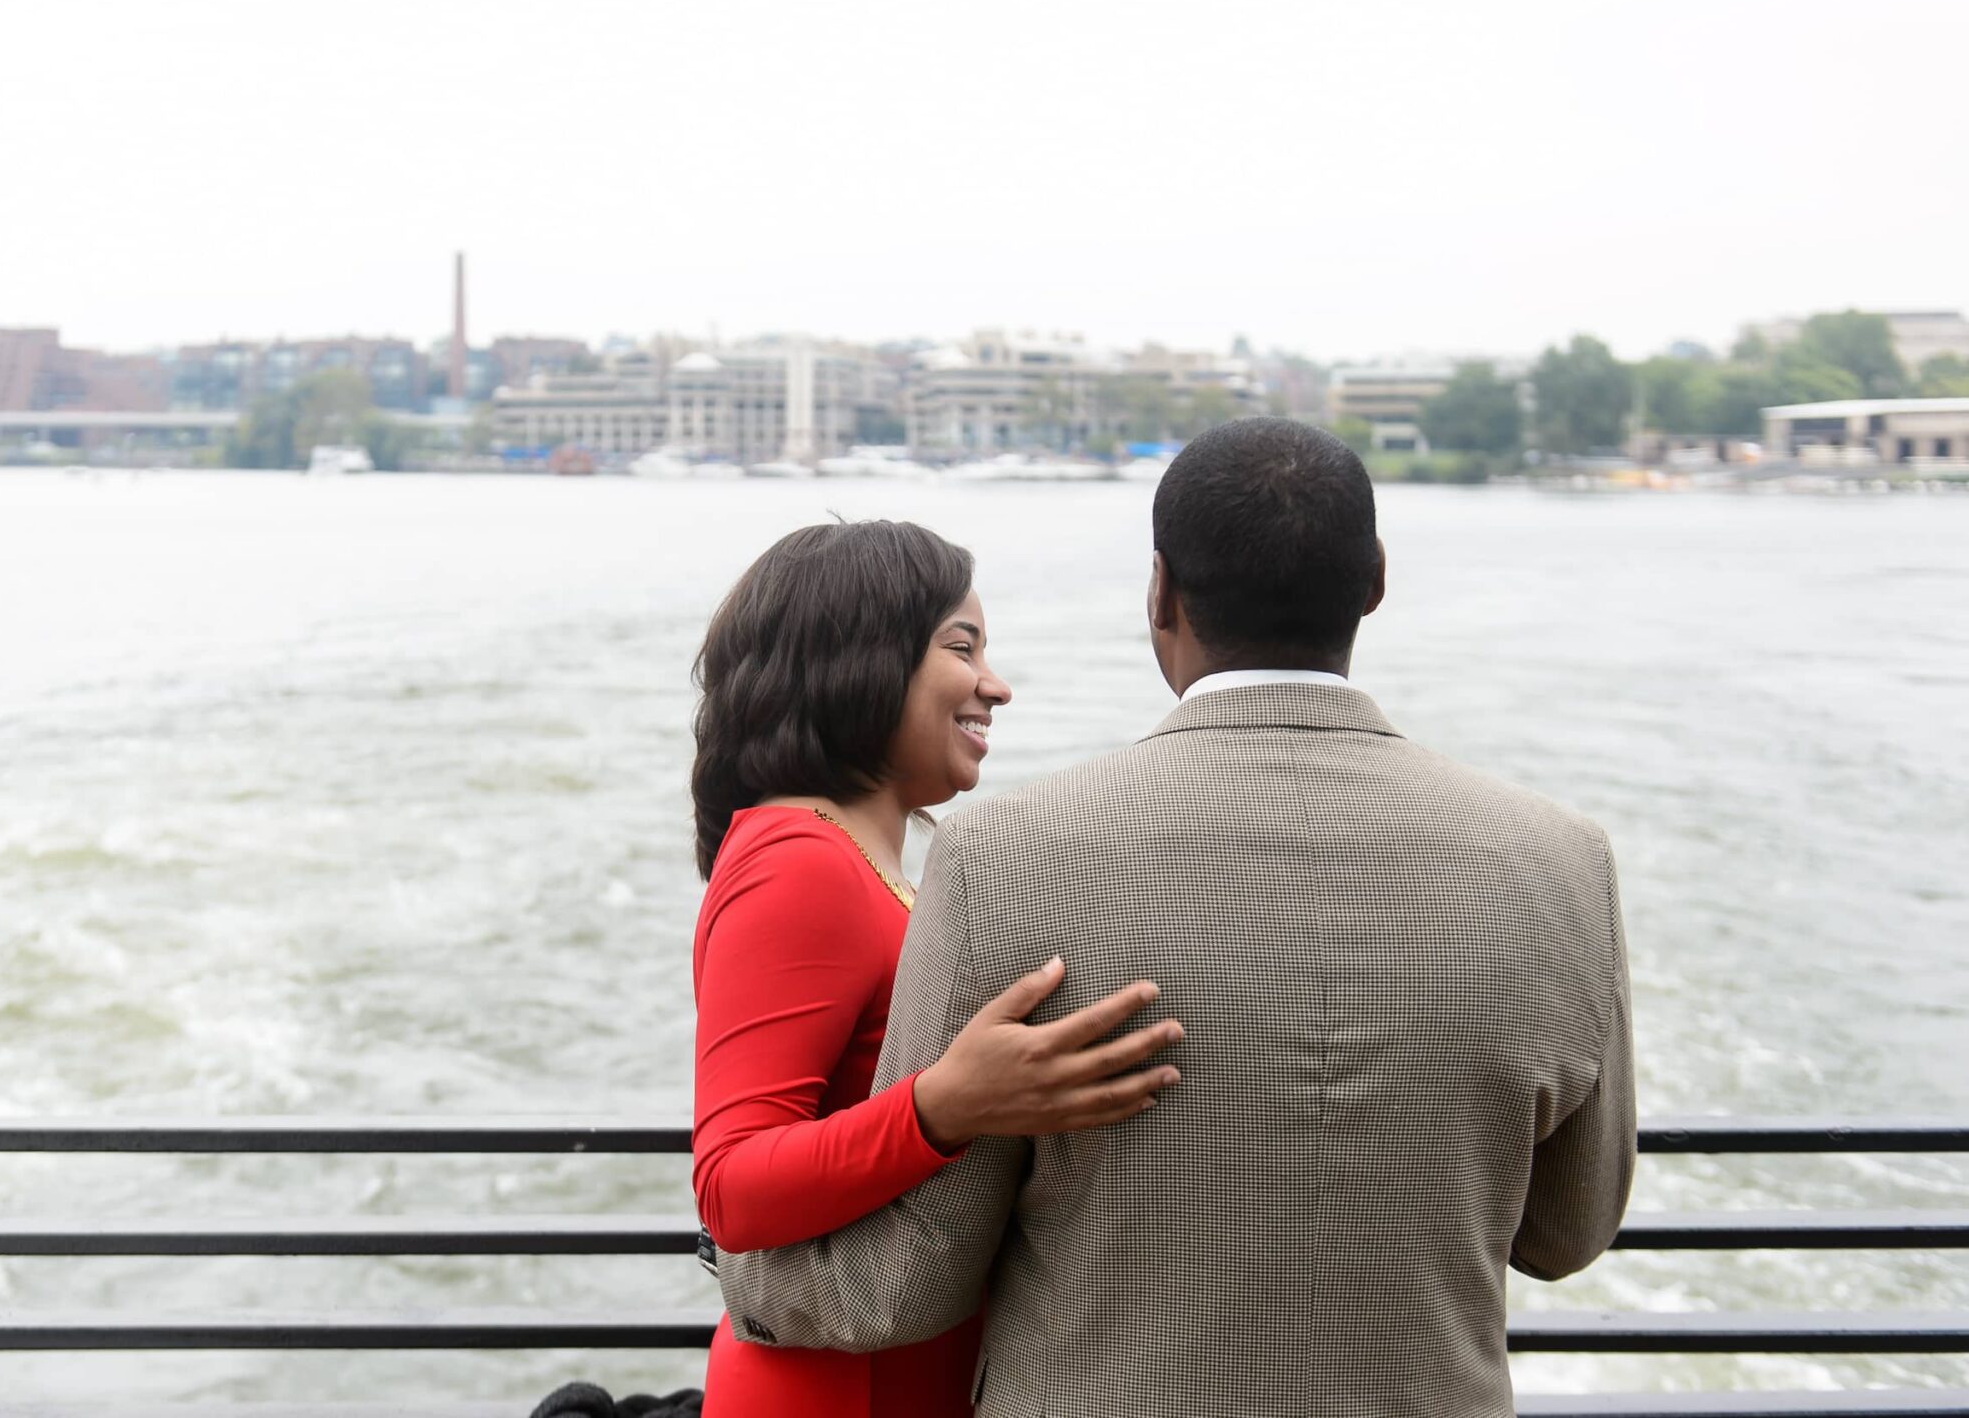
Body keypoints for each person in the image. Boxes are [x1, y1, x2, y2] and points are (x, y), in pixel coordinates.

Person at [717, 419, 1635, 1418]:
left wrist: (750, 1285)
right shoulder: (1562, 858)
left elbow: (917, 1272)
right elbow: (1567, 1231)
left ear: (1160, 591)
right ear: (1372, 581)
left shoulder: (1002, 856)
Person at [691, 519, 1185, 1418]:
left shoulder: (857, 861)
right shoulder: (797, 862)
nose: (995, 684)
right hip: (841, 1392)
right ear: (863, 657)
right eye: (963, 648)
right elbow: (733, 1185)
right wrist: (944, 1106)